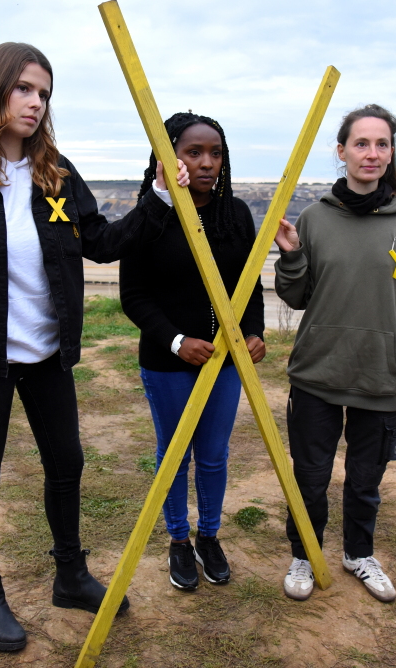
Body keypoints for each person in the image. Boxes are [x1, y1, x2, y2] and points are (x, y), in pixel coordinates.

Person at [0, 43, 188, 652]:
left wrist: (159, 197)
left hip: (47, 357)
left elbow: (103, 243)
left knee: (68, 465)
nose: (36, 103)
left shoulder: (54, 173)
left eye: (44, 94)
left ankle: (70, 575)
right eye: (24, 89)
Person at [273, 104, 396, 603]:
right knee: (310, 477)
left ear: (391, 153)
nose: (372, 153)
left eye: (382, 144)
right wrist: (292, 255)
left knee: (366, 480)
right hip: (318, 371)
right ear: (341, 151)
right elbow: (297, 297)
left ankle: (358, 553)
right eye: (361, 143)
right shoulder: (314, 218)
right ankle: (305, 553)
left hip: (380, 376)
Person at [120, 112, 265, 591]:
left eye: (215, 154)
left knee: (214, 454)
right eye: (193, 152)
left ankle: (209, 537)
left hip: (225, 362)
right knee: (175, 453)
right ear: (168, 157)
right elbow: (134, 296)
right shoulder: (151, 216)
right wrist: (177, 341)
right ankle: (179, 541)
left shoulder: (236, 214)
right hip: (168, 362)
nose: (206, 163)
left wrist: (253, 331)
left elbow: (250, 285)